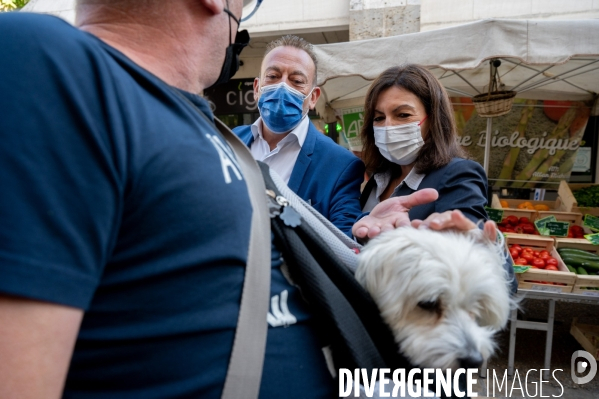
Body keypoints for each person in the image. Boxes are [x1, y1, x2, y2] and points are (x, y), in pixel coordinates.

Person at [0, 2, 476, 398]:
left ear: (313, 97)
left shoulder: (198, 124)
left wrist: (354, 234)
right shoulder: (47, 60)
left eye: (296, 82)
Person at [233, 35, 364, 235]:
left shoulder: (340, 165)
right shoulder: (228, 141)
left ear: (313, 97)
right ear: (257, 88)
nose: (282, 86)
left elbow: (344, 241)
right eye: (273, 76)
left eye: (297, 81)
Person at [359, 64, 489, 224]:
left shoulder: (458, 175)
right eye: (379, 118)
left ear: (434, 119)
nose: (388, 127)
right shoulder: (378, 179)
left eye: (403, 115)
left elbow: (468, 237)